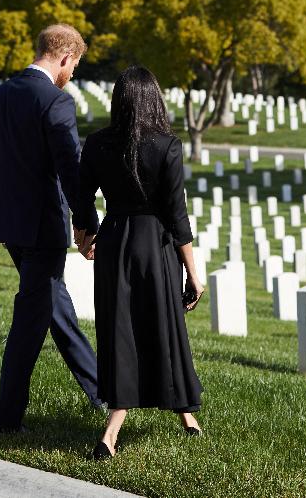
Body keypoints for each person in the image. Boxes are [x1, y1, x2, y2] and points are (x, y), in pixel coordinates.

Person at [0, 24, 104, 434]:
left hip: (9, 223)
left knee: (56, 308)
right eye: (75, 66)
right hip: (42, 228)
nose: (73, 75)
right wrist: (88, 224)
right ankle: (8, 420)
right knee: (29, 323)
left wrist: (3, 209)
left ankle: (101, 392)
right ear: (65, 57)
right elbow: (71, 169)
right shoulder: (56, 101)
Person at [77, 65, 205, 460]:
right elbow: (176, 216)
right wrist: (193, 274)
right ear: (154, 100)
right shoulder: (167, 146)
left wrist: (86, 235)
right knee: (163, 327)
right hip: (156, 246)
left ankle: (114, 430)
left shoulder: (97, 143)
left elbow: (81, 196)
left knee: (121, 332)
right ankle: (184, 413)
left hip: (115, 242)